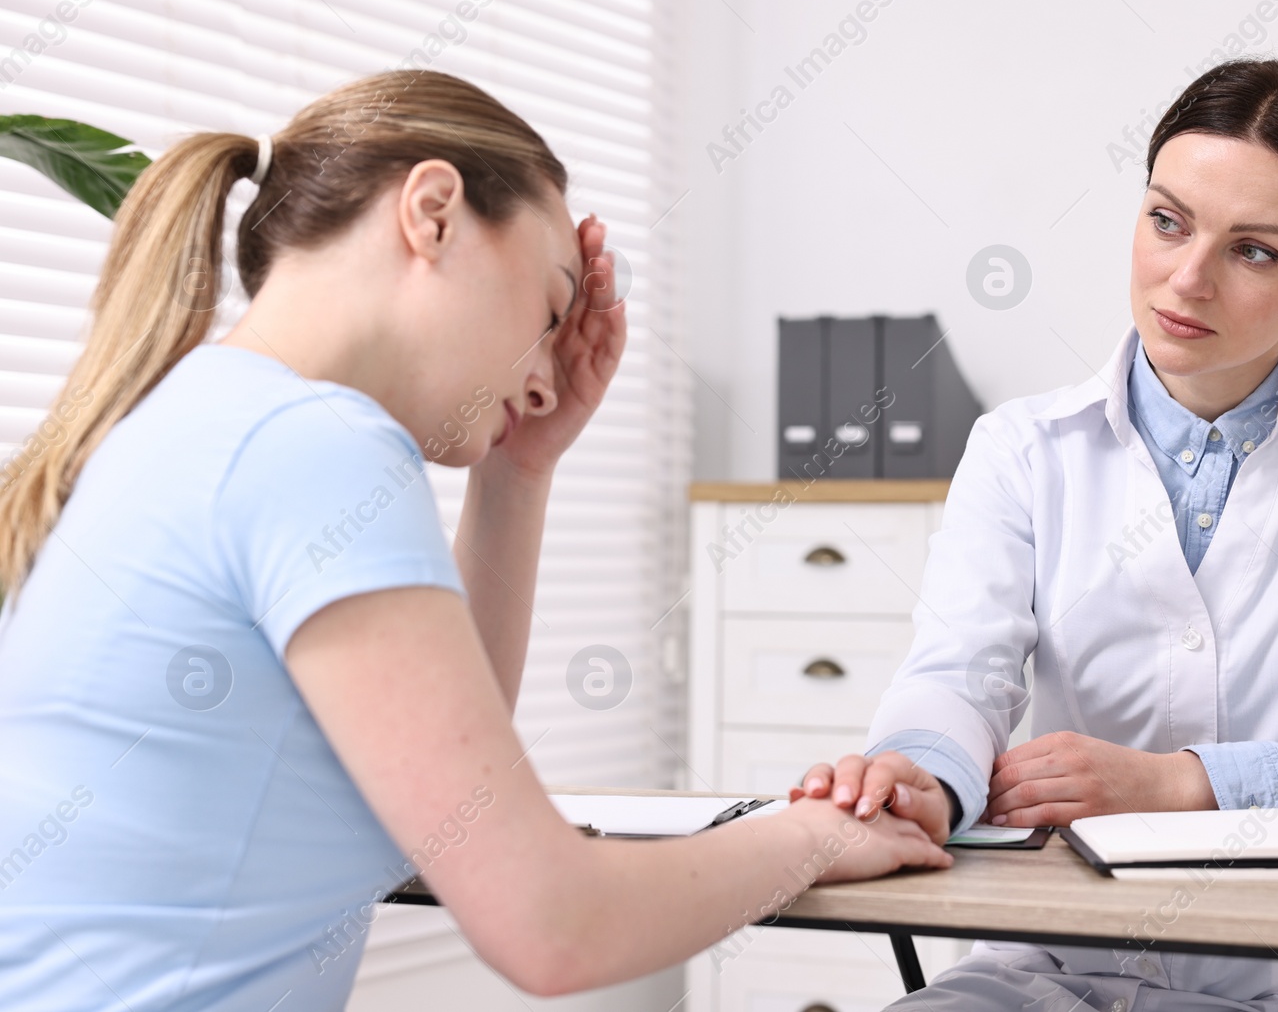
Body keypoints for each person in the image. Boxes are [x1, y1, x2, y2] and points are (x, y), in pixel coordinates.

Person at [0, 70, 951, 1012]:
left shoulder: (193, 415)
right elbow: (554, 927)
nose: (546, 374)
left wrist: (517, 472)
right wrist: (812, 834)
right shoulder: (314, 447)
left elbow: (441, 784)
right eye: (548, 310)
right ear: (434, 212)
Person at [798, 59, 1278, 1010]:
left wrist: (1188, 783)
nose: (1187, 279)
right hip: (1060, 967)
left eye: (1254, 250)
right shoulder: (1022, 447)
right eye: (1168, 221)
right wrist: (920, 776)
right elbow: (959, 675)